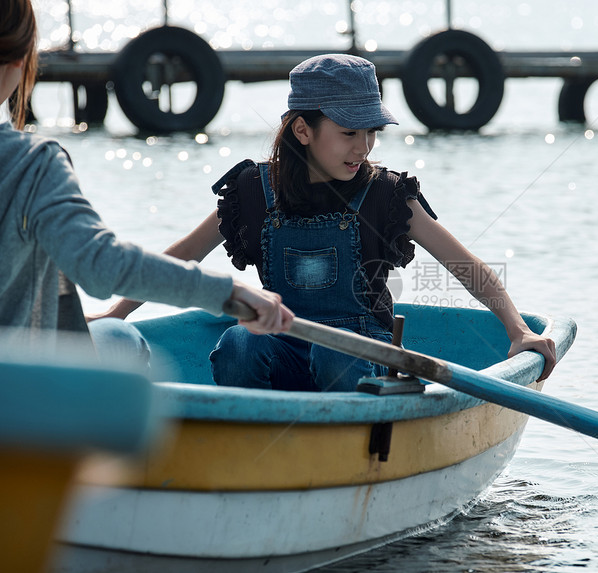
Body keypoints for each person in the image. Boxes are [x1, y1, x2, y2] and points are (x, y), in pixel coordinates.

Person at [92, 52, 557, 391]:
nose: (364, 147)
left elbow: (465, 265)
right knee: (238, 341)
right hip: (283, 344)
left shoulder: (386, 195)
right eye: (349, 133)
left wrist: (518, 330)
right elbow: (180, 260)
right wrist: (117, 313)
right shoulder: (253, 193)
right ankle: (251, 436)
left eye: (372, 132)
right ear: (303, 130)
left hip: (363, 359)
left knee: (337, 347)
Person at [0, 0, 293, 358]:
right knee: (121, 339)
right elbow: (99, 266)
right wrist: (227, 292)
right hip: (19, 384)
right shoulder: (33, 162)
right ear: (20, 57)